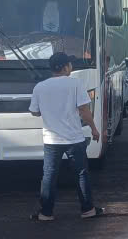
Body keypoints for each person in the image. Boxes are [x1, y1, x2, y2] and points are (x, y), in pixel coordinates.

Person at [29, 52, 104, 220]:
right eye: (70, 64)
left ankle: (46, 213)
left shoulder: (40, 86)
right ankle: (88, 210)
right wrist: (94, 129)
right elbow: (84, 110)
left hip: (51, 140)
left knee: (49, 175)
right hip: (74, 138)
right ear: (65, 67)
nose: (71, 67)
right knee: (80, 174)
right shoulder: (75, 84)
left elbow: (34, 112)